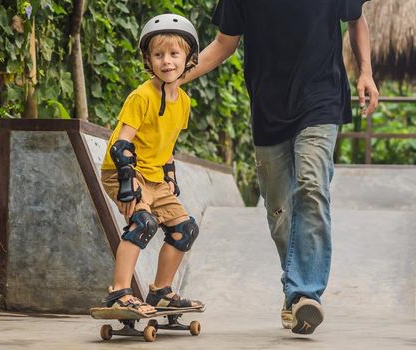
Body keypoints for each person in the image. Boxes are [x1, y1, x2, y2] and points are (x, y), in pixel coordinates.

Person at [181, 0, 379, 334]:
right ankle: (296, 296)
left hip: (321, 98)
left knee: (312, 187)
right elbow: (223, 44)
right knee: (279, 209)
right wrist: (174, 76)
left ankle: (306, 292)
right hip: (268, 107)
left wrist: (366, 73)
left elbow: (356, 19)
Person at [98, 13, 205, 315]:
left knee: (185, 229)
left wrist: (170, 175)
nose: (167, 61)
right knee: (143, 224)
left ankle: (160, 291)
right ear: (148, 59)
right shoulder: (141, 96)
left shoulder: (183, 101)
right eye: (158, 55)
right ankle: (120, 292)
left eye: (174, 54)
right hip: (124, 172)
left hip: (155, 177)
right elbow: (122, 144)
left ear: (188, 58)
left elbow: (167, 144)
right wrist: (127, 181)